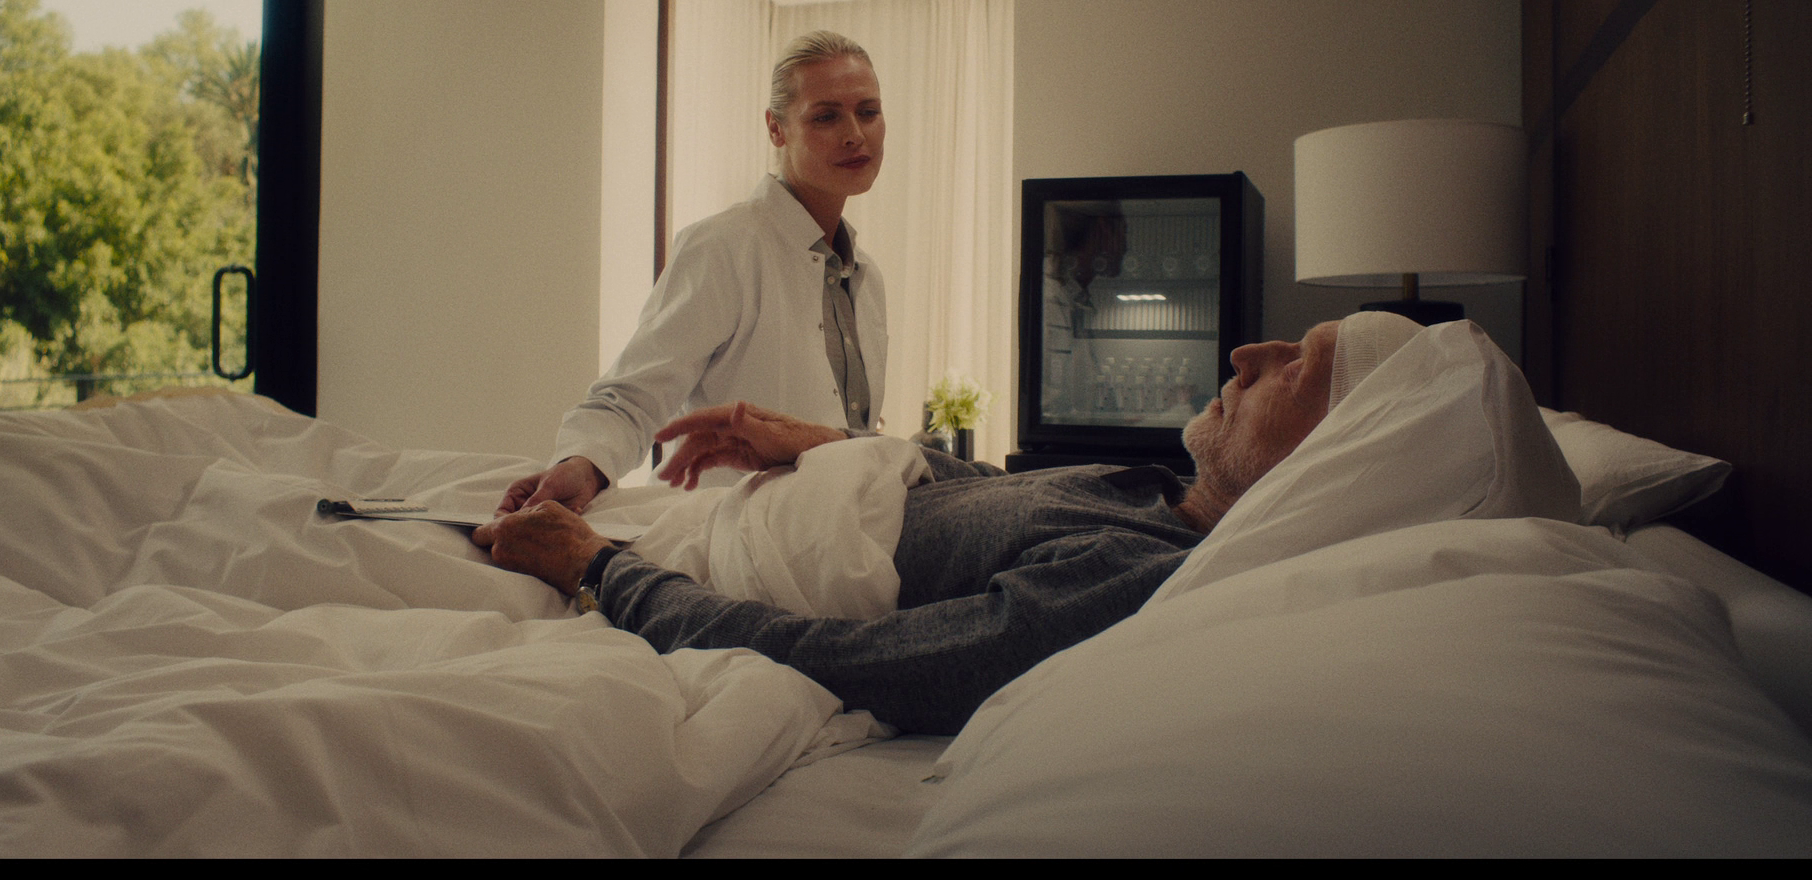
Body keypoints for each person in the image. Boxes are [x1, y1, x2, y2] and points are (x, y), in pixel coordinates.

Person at [475, 313, 1426, 734]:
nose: (1250, 352)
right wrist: (821, 443)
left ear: (1340, 455)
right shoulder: (1155, 492)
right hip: (732, 515)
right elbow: (991, 501)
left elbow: (856, 662)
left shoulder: (1136, 577)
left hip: (676, 575)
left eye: (1299, 366)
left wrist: (601, 570)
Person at [499, 31, 890, 515]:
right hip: (725, 540)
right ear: (776, 129)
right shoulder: (723, 248)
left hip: (835, 537)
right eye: (826, 116)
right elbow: (633, 396)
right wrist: (583, 463)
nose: (854, 134)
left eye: (868, 112)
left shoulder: (867, 279)